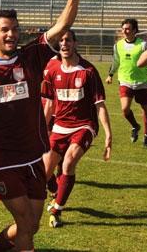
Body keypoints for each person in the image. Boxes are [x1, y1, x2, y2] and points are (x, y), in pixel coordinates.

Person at [0, 0, 84, 252]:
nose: (11, 34)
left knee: (32, 225)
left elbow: (62, 26)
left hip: (32, 157)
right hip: (1, 160)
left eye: (14, 29)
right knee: (26, 223)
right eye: (4, 30)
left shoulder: (32, 56)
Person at [41, 29, 112, 228]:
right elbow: (48, 105)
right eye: (61, 41)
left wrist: (108, 135)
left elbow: (100, 105)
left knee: (69, 162)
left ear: (75, 43)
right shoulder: (51, 69)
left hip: (84, 125)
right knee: (44, 173)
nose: (64, 44)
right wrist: (39, 131)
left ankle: (57, 211)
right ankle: (57, 193)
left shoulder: (88, 71)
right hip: (60, 126)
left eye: (68, 40)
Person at [105, 18, 147, 147]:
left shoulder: (143, 45)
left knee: (146, 109)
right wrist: (110, 74)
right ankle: (135, 126)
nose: (124, 31)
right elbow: (116, 62)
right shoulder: (118, 45)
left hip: (142, 82)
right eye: (123, 29)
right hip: (125, 80)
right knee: (125, 109)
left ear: (135, 30)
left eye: (127, 29)